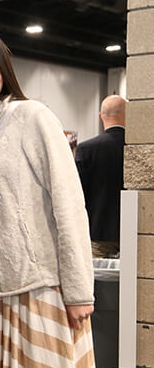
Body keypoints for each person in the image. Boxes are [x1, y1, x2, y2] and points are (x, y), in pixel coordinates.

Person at [0, 27, 96, 368]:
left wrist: (78, 292)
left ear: (5, 71)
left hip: (41, 289)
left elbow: (69, 203)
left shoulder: (32, 117)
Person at [75, 94, 126, 258]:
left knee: (95, 281)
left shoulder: (86, 149)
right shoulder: (137, 148)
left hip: (97, 231)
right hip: (135, 232)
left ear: (100, 117)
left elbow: (77, 194)